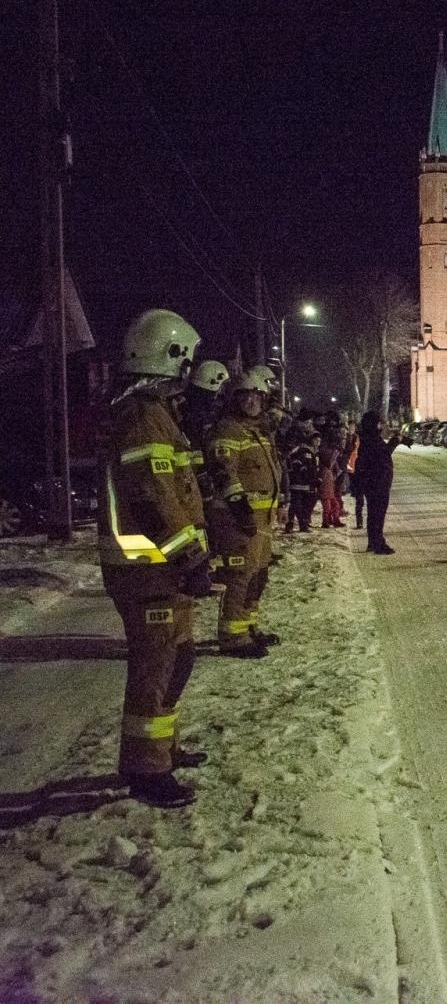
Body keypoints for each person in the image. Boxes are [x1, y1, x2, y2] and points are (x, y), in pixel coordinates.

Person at [97, 309, 212, 808]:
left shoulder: (152, 413)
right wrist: (189, 555)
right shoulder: (144, 417)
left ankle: (162, 748)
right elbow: (155, 495)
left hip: (162, 568)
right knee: (155, 665)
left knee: (176, 657)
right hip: (150, 569)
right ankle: (146, 772)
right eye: (185, 359)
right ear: (171, 356)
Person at [205, 366, 283, 659]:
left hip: (261, 519)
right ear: (234, 399)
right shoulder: (228, 429)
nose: (252, 402)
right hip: (236, 519)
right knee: (240, 574)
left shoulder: (257, 431)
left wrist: (279, 503)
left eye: (257, 396)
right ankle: (232, 636)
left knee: (257, 574)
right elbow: (223, 471)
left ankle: (247, 625)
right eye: (245, 397)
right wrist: (240, 509)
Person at [357, 411, 408, 553]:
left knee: (374, 513)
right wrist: (394, 442)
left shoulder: (368, 438)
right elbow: (382, 454)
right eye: (379, 423)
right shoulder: (371, 439)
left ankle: (373, 542)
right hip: (377, 482)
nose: (381, 426)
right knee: (377, 513)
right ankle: (377, 543)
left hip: (375, 481)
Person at [285, 431, 320, 533]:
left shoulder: (312, 451)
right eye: (316, 440)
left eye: (319, 441)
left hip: (303, 483)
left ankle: (299, 524)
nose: (318, 442)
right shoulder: (304, 451)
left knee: (300, 505)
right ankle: (296, 524)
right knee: (298, 505)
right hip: (300, 483)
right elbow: (307, 467)